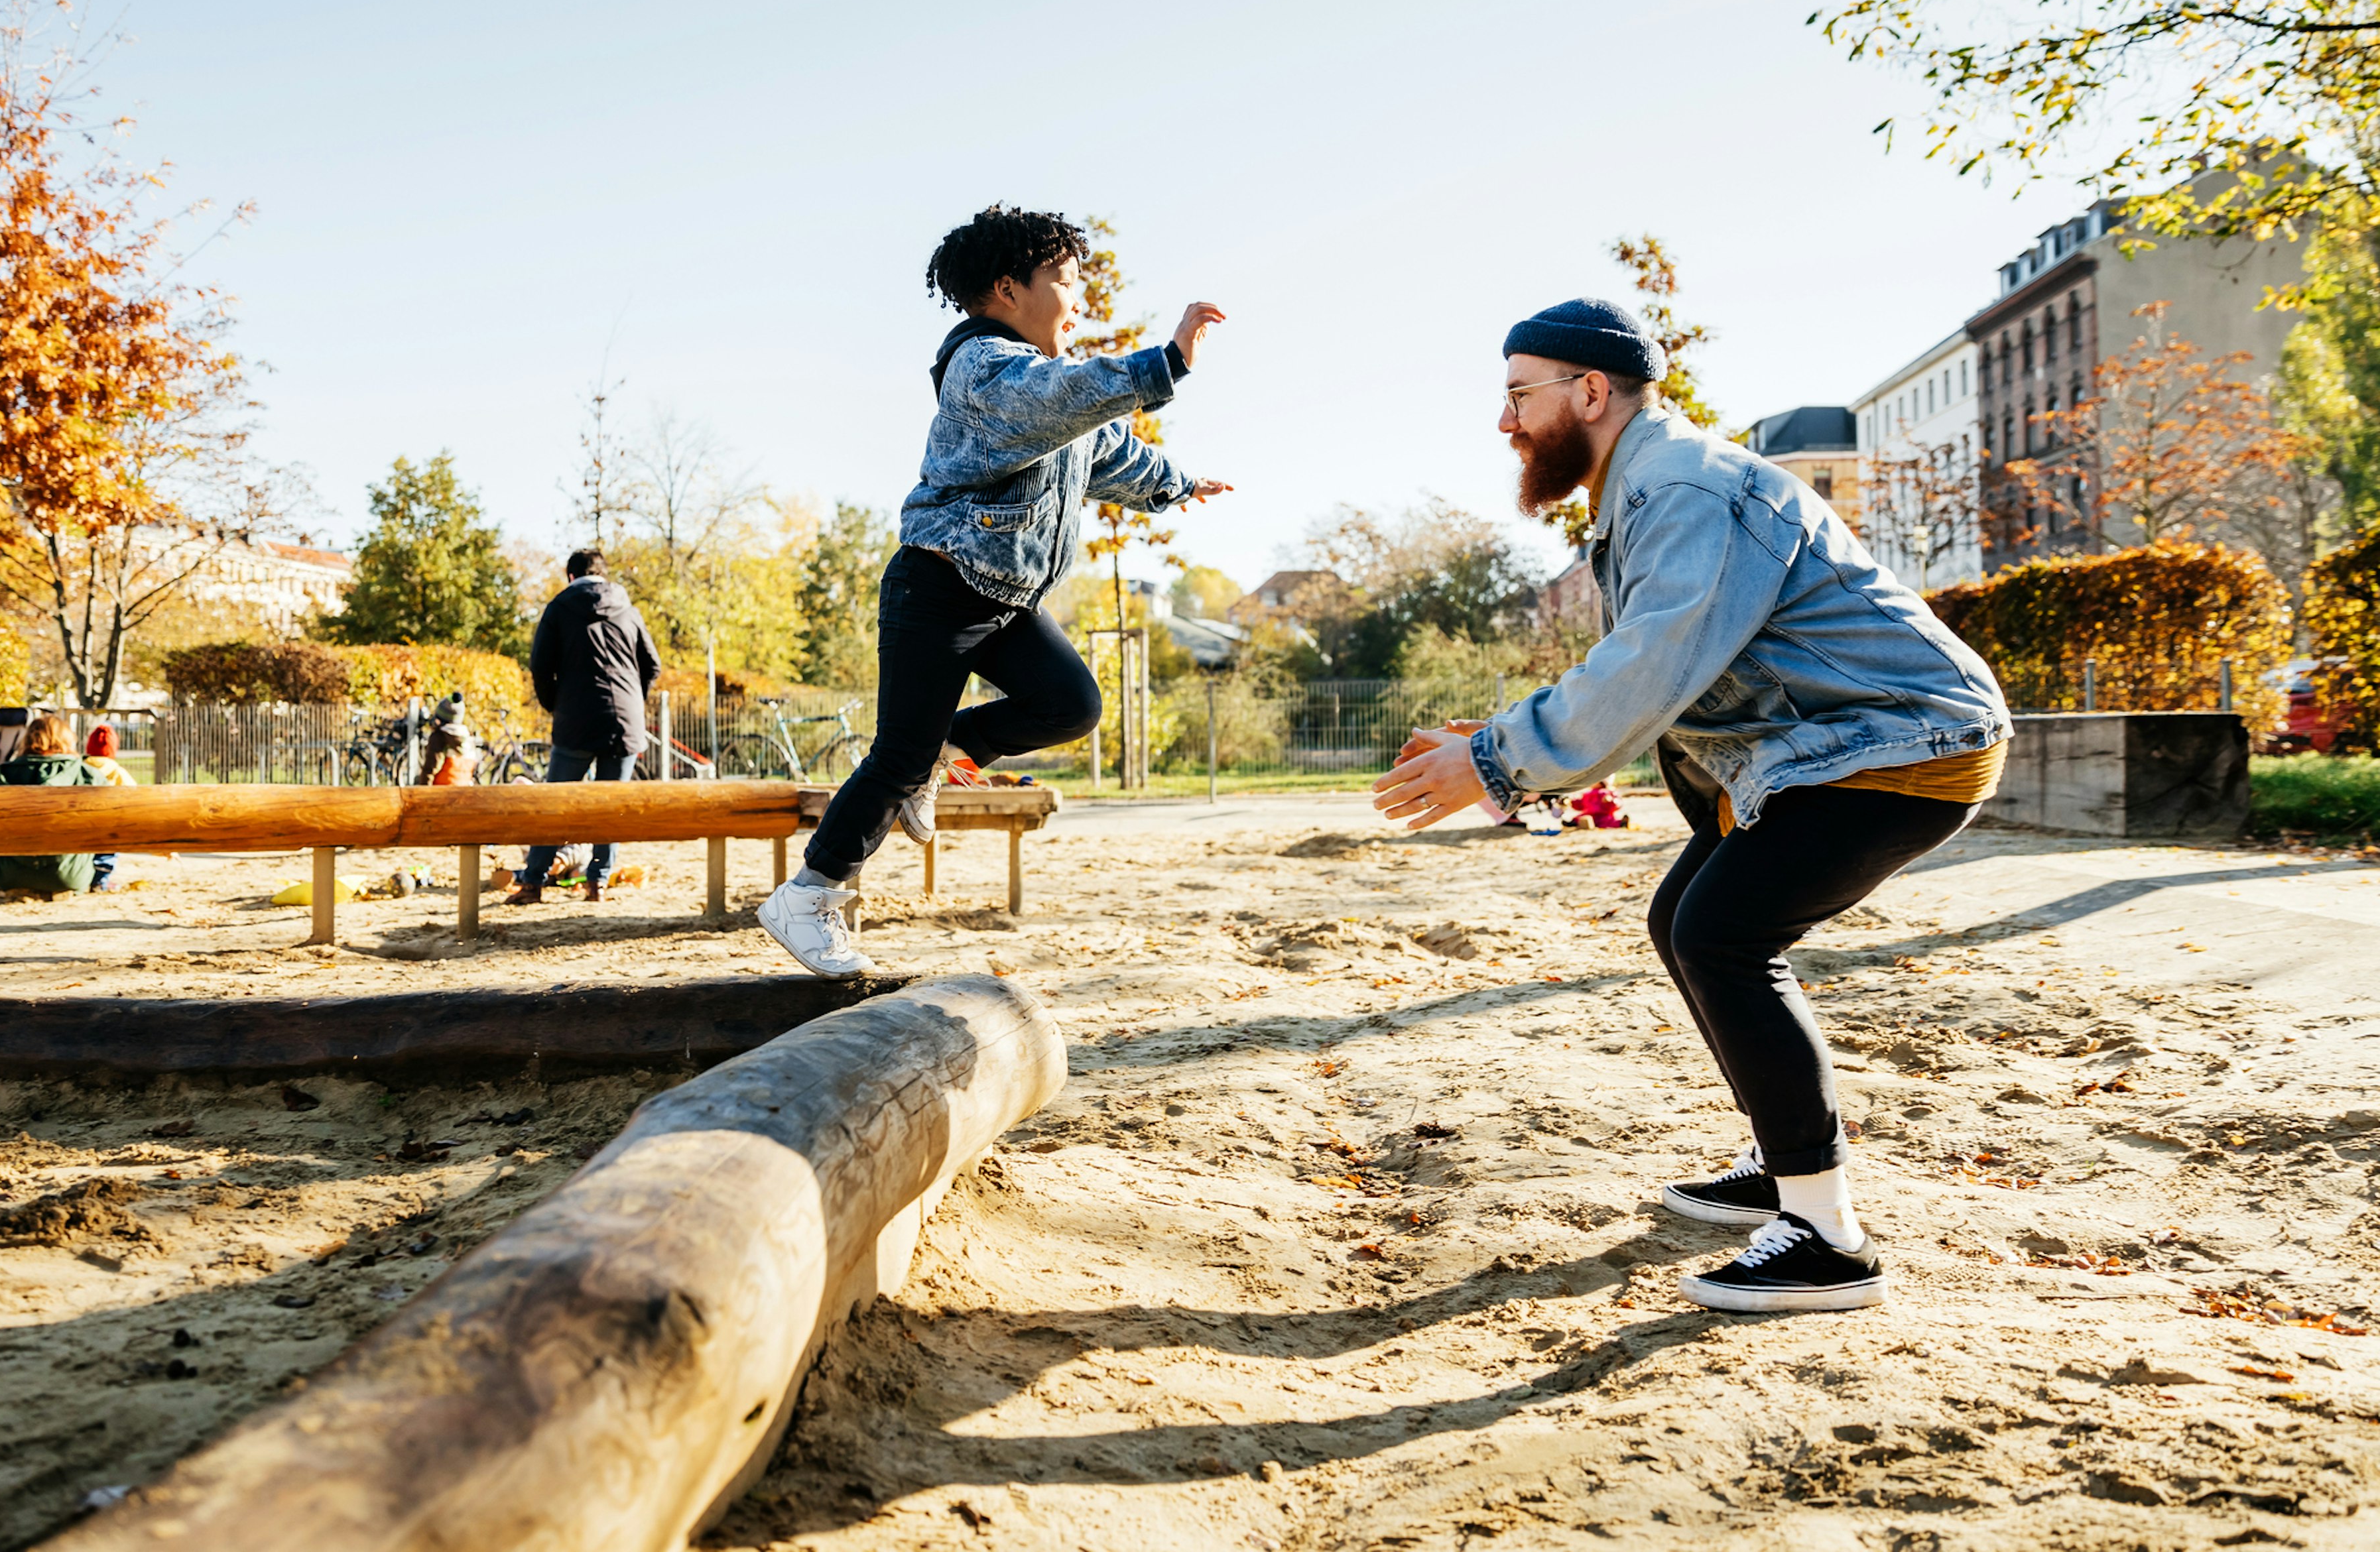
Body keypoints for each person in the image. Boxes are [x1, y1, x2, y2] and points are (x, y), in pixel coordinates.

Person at [1370, 296, 2010, 1315]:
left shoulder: (1681, 487)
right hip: (1829, 749)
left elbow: (1653, 661)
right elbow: (1672, 677)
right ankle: (1782, 1162)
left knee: (1723, 934)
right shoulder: (1646, 488)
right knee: (1687, 920)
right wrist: (1489, 747)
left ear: (1590, 392)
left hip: (1901, 744)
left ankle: (1828, 1240)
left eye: (1517, 397)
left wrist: (1495, 761)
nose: (1504, 424)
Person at [758, 204, 1231, 977]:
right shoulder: (985, 370)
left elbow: (1107, 450)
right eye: (1067, 282)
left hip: (1005, 598)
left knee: (1072, 703)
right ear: (1009, 290)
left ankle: (955, 750)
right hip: (939, 589)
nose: (1078, 300)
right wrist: (1165, 360)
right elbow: (1069, 397)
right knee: (897, 756)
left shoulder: (1046, 393)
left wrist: (1177, 484)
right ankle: (810, 893)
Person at [511, 550, 662, 904]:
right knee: (613, 806)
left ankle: (533, 883)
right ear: (603, 575)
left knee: (556, 803)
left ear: (570, 576)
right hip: (625, 723)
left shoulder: (559, 608)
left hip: (576, 720)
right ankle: (598, 883)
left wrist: (555, 706)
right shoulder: (628, 608)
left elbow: (540, 666)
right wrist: (631, 702)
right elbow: (652, 665)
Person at [0, 715, 107, 894]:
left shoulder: (5, 774)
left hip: (10, 874)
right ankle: (101, 881)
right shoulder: (87, 774)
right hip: (70, 875)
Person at [80, 723, 135, 891]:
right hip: (108, 826)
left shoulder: (81, 767)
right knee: (108, 850)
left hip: (82, 824)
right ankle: (100, 881)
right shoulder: (117, 772)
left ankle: (84, 878)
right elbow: (134, 794)